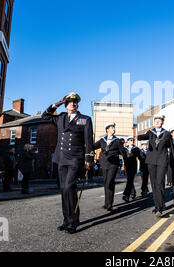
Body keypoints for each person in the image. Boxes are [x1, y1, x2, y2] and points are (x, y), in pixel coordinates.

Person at [42, 92, 94, 234]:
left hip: (75, 158)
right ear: (65, 105)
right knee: (64, 189)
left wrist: (88, 159)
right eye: (70, 102)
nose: (73, 104)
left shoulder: (84, 119)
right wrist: (57, 103)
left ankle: (73, 221)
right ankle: (66, 220)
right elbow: (45, 116)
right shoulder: (60, 118)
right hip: (61, 158)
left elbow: (88, 140)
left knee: (69, 187)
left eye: (75, 102)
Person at [137, 115, 172, 218]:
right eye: (156, 120)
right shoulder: (150, 132)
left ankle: (160, 208)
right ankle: (158, 206)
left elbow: (172, 147)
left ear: (162, 123)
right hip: (151, 161)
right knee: (153, 184)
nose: (157, 122)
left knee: (160, 183)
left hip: (162, 161)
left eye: (159, 121)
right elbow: (144, 136)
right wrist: (139, 137)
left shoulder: (166, 133)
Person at [93, 123, 125, 211]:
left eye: (114, 128)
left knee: (110, 182)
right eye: (111, 128)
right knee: (106, 182)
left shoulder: (117, 141)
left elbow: (123, 152)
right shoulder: (102, 140)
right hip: (105, 164)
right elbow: (93, 146)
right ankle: (106, 203)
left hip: (113, 164)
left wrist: (123, 159)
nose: (113, 130)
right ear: (107, 130)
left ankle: (110, 203)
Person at [122, 137, 141, 202]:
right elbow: (123, 157)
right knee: (129, 180)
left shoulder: (136, 149)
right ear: (128, 141)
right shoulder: (124, 149)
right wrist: (123, 166)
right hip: (127, 166)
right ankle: (133, 193)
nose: (132, 141)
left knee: (130, 179)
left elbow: (140, 157)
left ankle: (127, 195)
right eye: (131, 140)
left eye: (133, 140)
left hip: (133, 166)